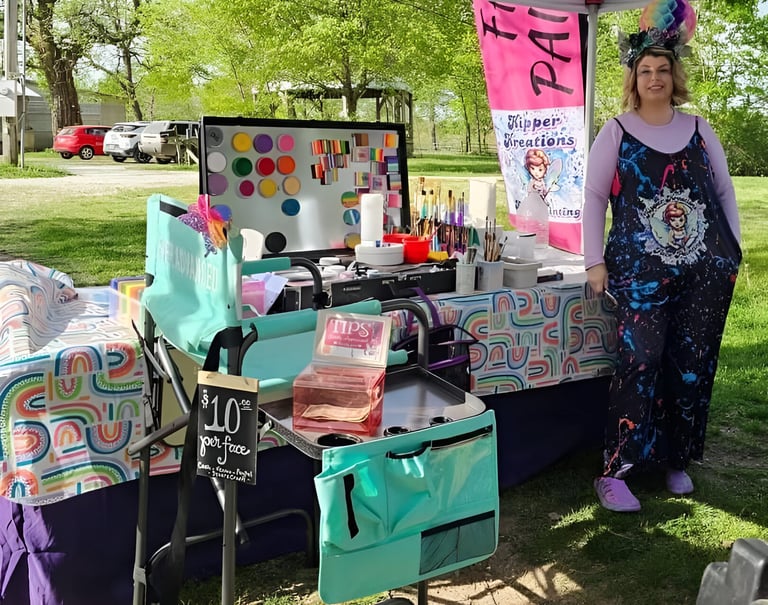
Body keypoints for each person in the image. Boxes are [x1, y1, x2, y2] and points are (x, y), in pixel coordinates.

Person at [582, 9, 742, 512]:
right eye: (646, 70)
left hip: (702, 273)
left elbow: (724, 192)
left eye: (663, 69)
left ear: (675, 77)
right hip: (637, 272)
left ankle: (677, 460)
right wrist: (593, 261)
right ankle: (616, 472)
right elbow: (592, 198)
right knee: (640, 360)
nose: (655, 77)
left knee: (690, 364)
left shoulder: (699, 129)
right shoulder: (616, 131)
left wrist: (731, 252)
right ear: (634, 77)